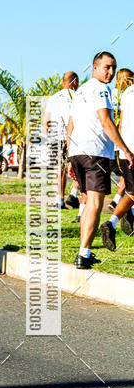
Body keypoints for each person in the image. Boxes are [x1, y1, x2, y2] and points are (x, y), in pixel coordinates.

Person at [65, 51, 134, 269]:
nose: (111, 72)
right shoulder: (102, 90)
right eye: (107, 67)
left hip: (78, 152)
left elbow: (71, 124)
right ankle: (84, 255)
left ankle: (82, 252)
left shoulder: (81, 90)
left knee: (87, 203)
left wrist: (69, 157)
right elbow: (106, 121)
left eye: (114, 67)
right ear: (94, 67)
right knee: (95, 203)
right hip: (95, 154)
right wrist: (125, 149)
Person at [99, 74, 134, 250]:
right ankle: (115, 221)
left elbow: (120, 124)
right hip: (130, 150)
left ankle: (116, 221)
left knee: (132, 191)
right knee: (132, 192)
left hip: (124, 149)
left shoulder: (127, 94)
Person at [43, 71, 79, 208]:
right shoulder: (75, 96)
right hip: (69, 137)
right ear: (74, 82)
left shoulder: (53, 98)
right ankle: (72, 195)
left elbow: (46, 122)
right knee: (74, 168)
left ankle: (58, 199)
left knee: (57, 169)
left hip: (54, 138)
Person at [107, 69, 134, 212]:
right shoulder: (118, 95)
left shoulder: (122, 95)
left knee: (129, 181)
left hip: (120, 146)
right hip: (122, 146)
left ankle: (118, 202)